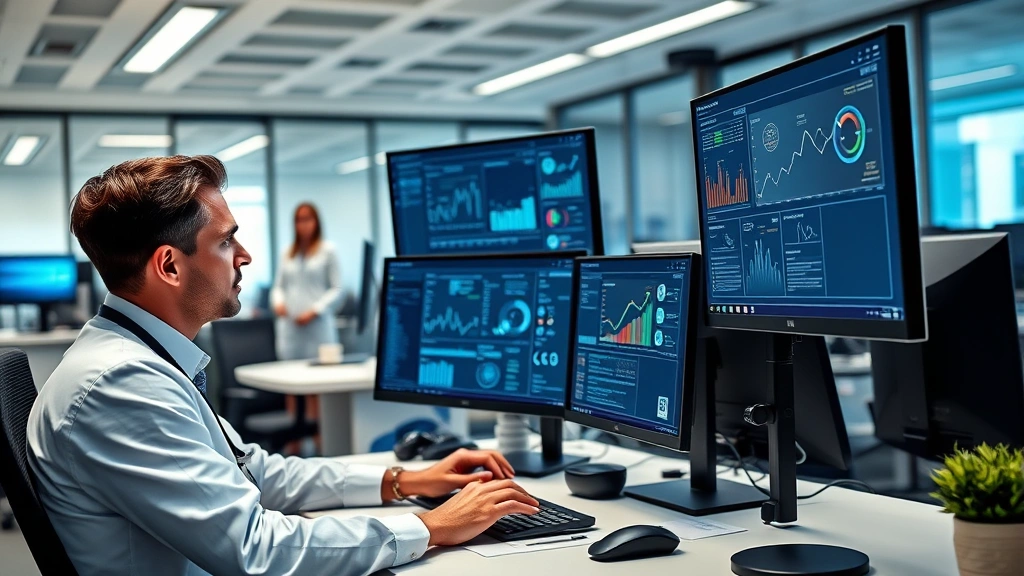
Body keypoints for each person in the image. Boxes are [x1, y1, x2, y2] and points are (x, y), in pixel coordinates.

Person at [27, 155, 540, 576]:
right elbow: (255, 550)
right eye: (226, 241)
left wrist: (404, 481)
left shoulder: (139, 359)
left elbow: (253, 472)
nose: (245, 256)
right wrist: (430, 528)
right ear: (169, 265)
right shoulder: (121, 385)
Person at [271, 202, 342, 361]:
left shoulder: (328, 250)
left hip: (317, 327)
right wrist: (279, 303)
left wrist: (315, 311)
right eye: (299, 220)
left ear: (316, 222)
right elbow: (278, 286)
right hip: (290, 327)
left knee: (320, 377)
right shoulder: (287, 252)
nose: (303, 224)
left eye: (307, 219)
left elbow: (337, 288)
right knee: (290, 374)